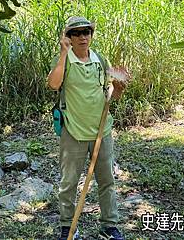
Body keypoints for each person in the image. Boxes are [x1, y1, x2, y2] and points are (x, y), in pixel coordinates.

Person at [47, 16, 125, 240]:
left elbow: (110, 95)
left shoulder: (100, 59)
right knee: (69, 183)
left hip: (102, 130)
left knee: (106, 180)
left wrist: (119, 87)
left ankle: (109, 226)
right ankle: (67, 227)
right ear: (69, 37)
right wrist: (63, 53)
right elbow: (53, 84)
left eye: (86, 32)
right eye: (77, 33)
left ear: (91, 35)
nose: (82, 37)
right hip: (73, 130)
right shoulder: (65, 60)